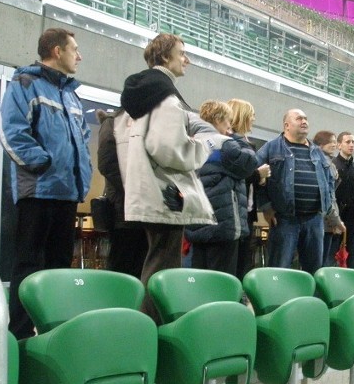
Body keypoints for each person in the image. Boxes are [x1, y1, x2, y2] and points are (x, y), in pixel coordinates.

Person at [114, 33, 216, 321]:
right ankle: (152, 329)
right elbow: (168, 148)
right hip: (166, 195)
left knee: (156, 263)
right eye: (182, 53)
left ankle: (147, 326)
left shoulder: (141, 96)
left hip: (148, 190)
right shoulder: (165, 98)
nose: (187, 60)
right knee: (162, 270)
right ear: (164, 57)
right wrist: (202, 147)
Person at [0, 28, 93, 339]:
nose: (79, 56)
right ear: (56, 51)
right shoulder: (25, 84)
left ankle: (55, 336)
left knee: (59, 269)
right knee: (28, 267)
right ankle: (21, 338)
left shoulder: (72, 95)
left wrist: (83, 175)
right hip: (37, 193)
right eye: (74, 50)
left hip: (66, 195)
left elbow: (82, 139)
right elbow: (12, 132)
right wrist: (43, 163)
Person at [184, 100, 262, 276]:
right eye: (228, 121)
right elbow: (249, 163)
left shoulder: (191, 141)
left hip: (196, 218)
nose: (230, 126)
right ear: (218, 120)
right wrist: (238, 137)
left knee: (200, 274)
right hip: (223, 221)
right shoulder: (224, 143)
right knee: (222, 278)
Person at [254, 108, 335, 274]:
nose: (304, 121)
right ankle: (276, 300)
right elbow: (256, 177)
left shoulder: (318, 152)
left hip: (314, 220)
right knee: (279, 269)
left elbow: (329, 181)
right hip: (284, 219)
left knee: (314, 272)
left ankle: (310, 301)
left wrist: (327, 207)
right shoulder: (272, 148)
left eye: (305, 118)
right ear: (287, 125)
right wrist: (266, 207)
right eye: (299, 119)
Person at [96, 108, 146, 279]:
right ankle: (115, 303)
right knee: (122, 267)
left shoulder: (147, 122)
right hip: (122, 208)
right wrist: (136, 188)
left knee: (141, 266)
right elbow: (107, 164)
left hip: (145, 210)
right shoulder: (113, 123)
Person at [226, 98, 269, 280]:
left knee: (246, 260)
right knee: (233, 263)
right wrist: (257, 174)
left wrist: (260, 180)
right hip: (232, 212)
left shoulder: (247, 144)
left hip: (248, 212)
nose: (253, 119)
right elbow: (233, 177)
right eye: (251, 116)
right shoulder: (229, 143)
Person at [331, 131, 354, 269]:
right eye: (348, 142)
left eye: (353, 142)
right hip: (336, 220)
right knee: (332, 258)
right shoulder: (332, 166)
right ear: (339, 145)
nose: (351, 145)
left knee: (352, 260)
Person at [312, 130, 345, 267]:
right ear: (320, 146)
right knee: (321, 263)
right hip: (324, 221)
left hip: (328, 221)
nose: (334, 145)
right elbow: (328, 197)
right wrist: (336, 221)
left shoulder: (330, 165)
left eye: (334, 141)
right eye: (330, 142)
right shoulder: (322, 165)